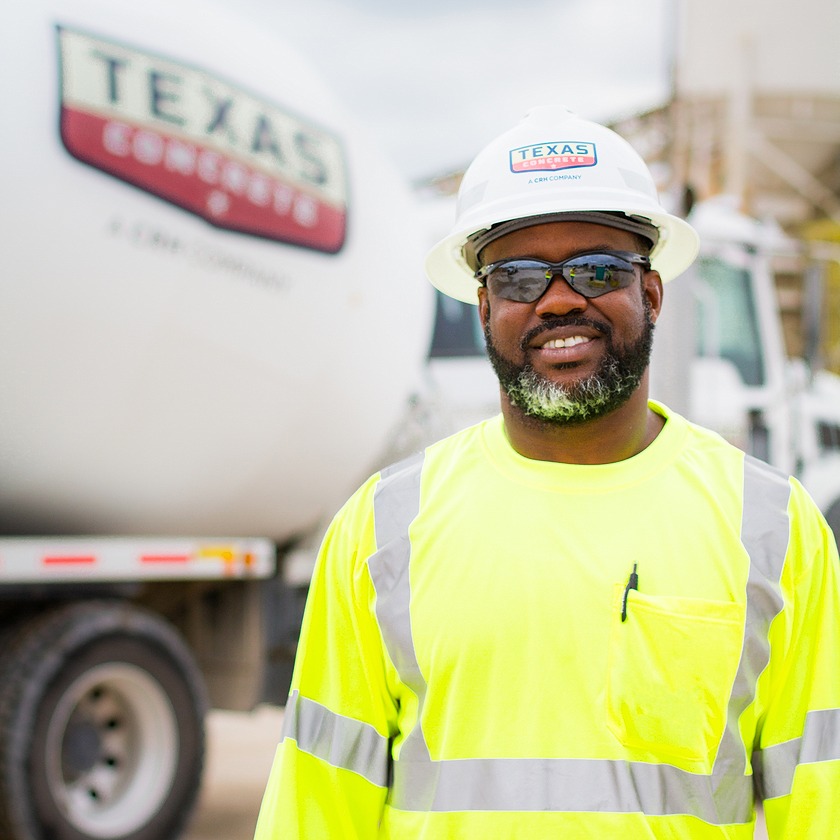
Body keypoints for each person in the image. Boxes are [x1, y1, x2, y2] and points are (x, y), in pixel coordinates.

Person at [254, 106, 840, 839]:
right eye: (522, 276)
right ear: (485, 306)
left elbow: (821, 808)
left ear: (650, 294)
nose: (560, 298)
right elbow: (316, 808)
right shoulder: (382, 531)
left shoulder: (775, 529)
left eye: (596, 269)